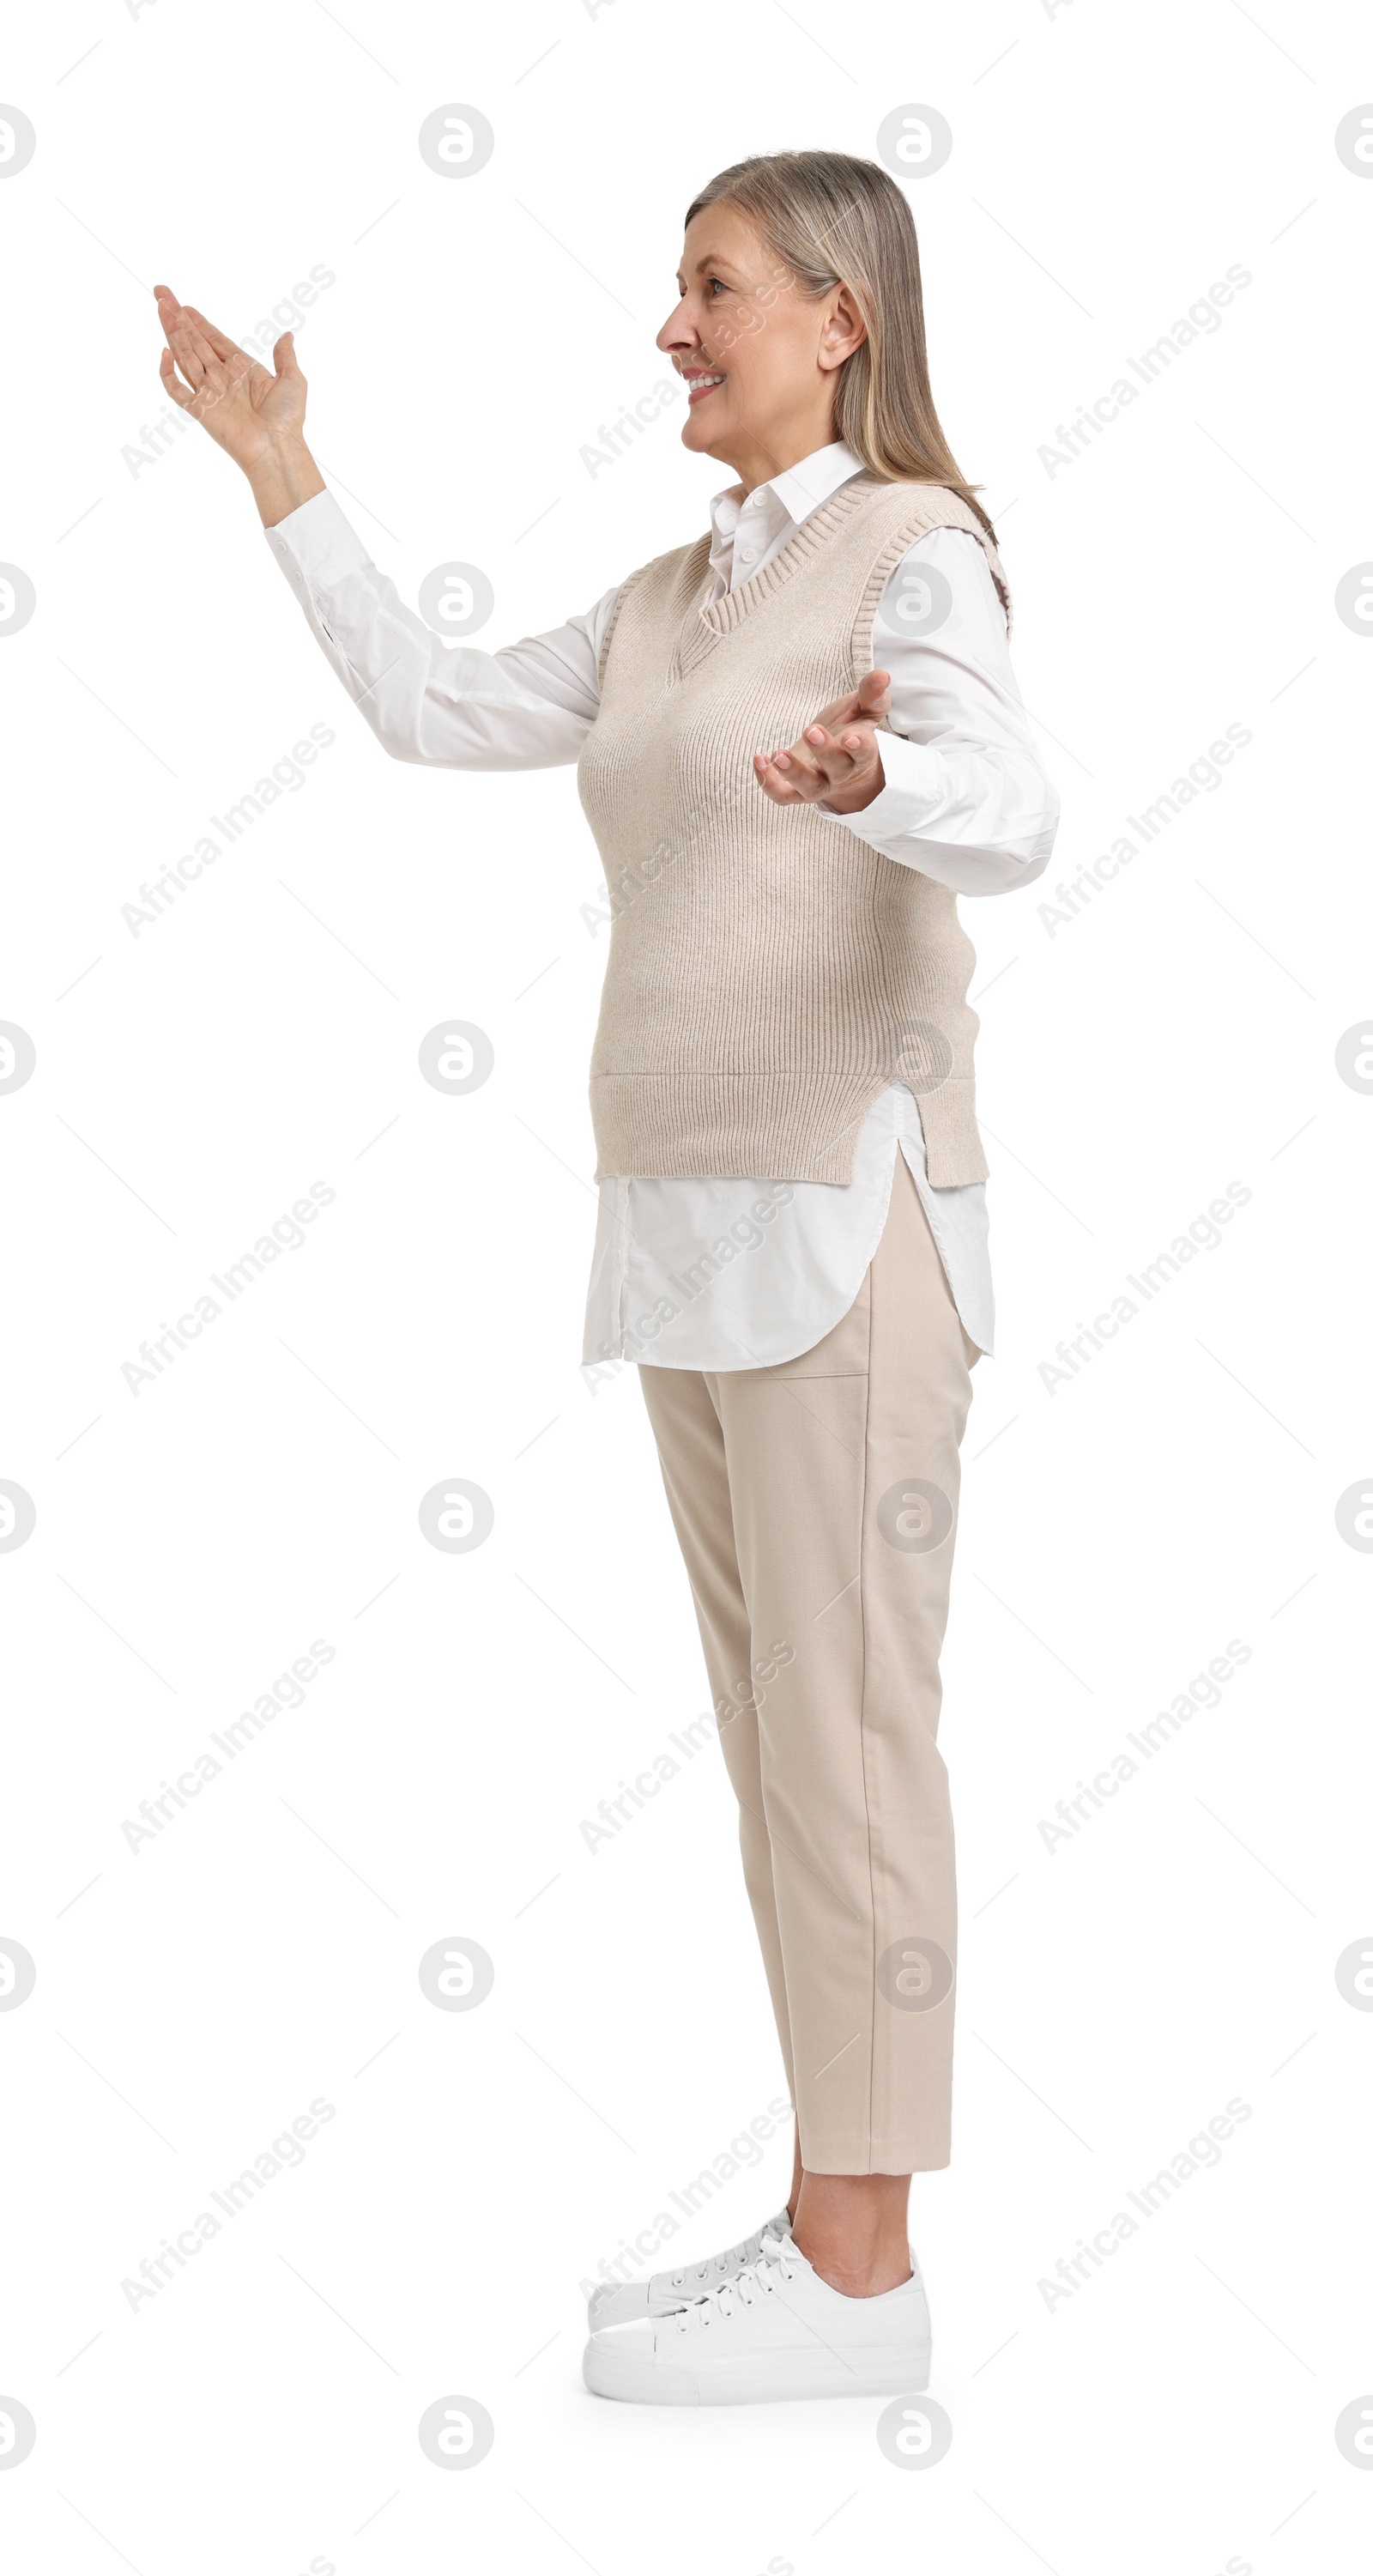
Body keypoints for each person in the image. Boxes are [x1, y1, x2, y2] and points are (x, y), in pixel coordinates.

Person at [154, 146, 1058, 2409]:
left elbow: (1011, 806)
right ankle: (829, 2235)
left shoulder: (909, 552)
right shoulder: (675, 594)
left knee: (853, 1749)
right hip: (690, 1232)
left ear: (838, 317)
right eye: (675, 287)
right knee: (778, 1757)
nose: (672, 326)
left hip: (851, 1226)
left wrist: (876, 777)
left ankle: (865, 2278)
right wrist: (288, 484)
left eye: (714, 287)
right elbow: (443, 706)